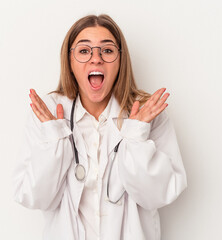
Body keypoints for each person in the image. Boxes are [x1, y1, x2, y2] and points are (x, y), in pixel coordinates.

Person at [13, 14, 187, 240]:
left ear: (120, 60)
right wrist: (54, 140)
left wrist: (135, 137)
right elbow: (34, 197)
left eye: (107, 50)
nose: (96, 59)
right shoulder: (48, 114)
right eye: (84, 51)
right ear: (70, 62)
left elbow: (158, 195)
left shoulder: (148, 113)